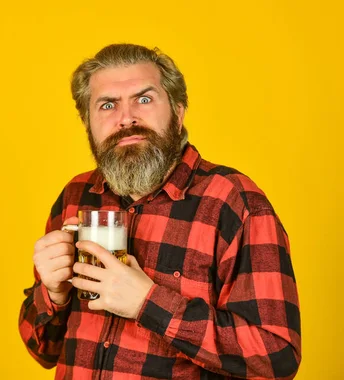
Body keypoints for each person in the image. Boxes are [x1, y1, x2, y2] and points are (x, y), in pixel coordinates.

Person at [18, 44, 301, 379]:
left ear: (178, 113)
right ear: (87, 123)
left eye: (144, 99)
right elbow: (43, 351)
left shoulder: (234, 202)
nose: (126, 118)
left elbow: (276, 357)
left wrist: (147, 303)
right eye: (107, 105)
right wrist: (53, 294)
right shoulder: (76, 197)